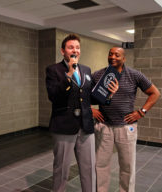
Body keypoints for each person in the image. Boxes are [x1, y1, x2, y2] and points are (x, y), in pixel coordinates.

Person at [46, 34, 118, 192]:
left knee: (89, 168)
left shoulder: (86, 69)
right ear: (63, 51)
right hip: (64, 126)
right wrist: (69, 74)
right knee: (61, 170)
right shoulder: (54, 70)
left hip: (85, 126)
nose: (75, 50)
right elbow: (54, 96)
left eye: (77, 47)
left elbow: (87, 97)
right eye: (71, 47)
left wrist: (108, 95)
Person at [92, 47, 160, 192]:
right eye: (110, 54)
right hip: (104, 127)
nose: (113, 57)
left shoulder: (134, 75)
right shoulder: (98, 75)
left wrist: (141, 112)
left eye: (117, 55)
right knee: (101, 165)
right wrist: (91, 110)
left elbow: (155, 93)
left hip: (126, 127)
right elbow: (83, 95)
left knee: (127, 167)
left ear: (124, 58)